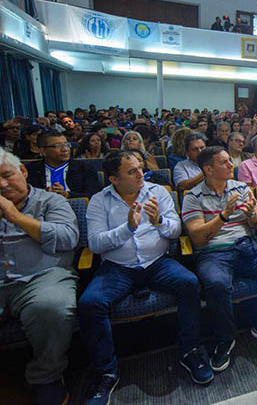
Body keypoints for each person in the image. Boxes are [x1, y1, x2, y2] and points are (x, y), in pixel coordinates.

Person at [79, 151, 212, 402]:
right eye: (132, 171)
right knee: (90, 303)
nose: (141, 174)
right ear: (114, 179)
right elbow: (95, 243)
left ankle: (191, 351)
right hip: (118, 267)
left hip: (157, 262)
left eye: (140, 168)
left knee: (189, 283)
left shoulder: (158, 192)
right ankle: (106, 372)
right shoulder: (99, 200)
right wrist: (127, 228)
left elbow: (175, 231)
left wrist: (159, 220)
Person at [182, 146, 257, 366]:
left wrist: (252, 215)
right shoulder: (193, 196)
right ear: (208, 169)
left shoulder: (241, 188)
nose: (231, 165)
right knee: (216, 284)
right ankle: (225, 339)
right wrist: (224, 215)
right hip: (214, 253)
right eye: (224, 162)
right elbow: (198, 237)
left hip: (246, 247)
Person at [0, 149, 79, 405]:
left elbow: (68, 238)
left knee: (51, 307)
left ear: (23, 171)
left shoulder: (50, 201)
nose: (2, 185)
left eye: (7, 175)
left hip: (43, 277)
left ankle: (46, 377)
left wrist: (16, 217)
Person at [26, 130, 100, 199]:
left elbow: (94, 196)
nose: (65, 149)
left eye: (66, 144)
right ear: (43, 151)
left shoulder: (85, 168)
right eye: (57, 146)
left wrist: (67, 195)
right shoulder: (30, 170)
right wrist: (44, 193)